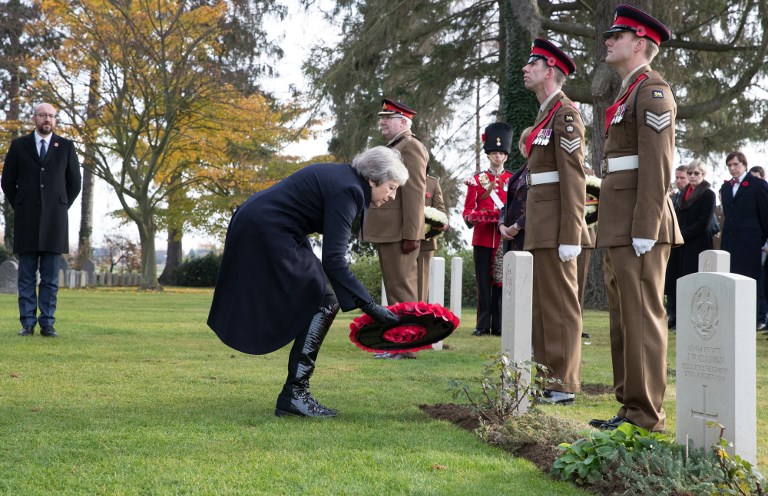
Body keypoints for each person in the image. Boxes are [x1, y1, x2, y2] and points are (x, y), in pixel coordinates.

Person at [207, 147, 408, 418]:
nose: (392, 195)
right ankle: (295, 395)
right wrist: (372, 308)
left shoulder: (345, 180)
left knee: (323, 295)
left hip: (264, 222)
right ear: (373, 180)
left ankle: (295, 393)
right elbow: (334, 261)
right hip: (267, 227)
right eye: (392, 187)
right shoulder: (349, 191)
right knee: (325, 297)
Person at [590, 5, 683, 432]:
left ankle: (646, 415)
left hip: (638, 223)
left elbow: (658, 164)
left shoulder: (653, 91)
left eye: (618, 36)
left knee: (642, 315)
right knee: (622, 315)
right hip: (618, 218)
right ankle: (629, 406)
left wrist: (646, 225)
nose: (608, 41)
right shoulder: (628, 93)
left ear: (640, 44)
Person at [520, 39, 590, 405]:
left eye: (532, 63)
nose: (524, 69)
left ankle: (563, 383)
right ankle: (548, 376)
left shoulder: (565, 114)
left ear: (550, 71)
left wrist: (571, 233)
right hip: (541, 220)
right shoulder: (545, 115)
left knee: (560, 305)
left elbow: (574, 177)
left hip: (557, 225)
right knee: (543, 306)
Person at [1, 102, 81, 338]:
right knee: (25, 276)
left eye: (52, 116)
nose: (47, 119)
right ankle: (27, 322)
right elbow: (7, 181)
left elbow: (74, 183)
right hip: (26, 221)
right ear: (34, 118)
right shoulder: (19, 146)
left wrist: (60, 205)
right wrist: (21, 204)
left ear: (55, 120)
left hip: (55, 223)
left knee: (49, 278)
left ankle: (47, 323)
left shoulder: (65, 146)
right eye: (43, 115)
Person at [363, 99, 429, 305]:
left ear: (404, 122)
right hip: (391, 231)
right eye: (382, 118)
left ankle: (412, 335)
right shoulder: (397, 146)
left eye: (388, 118)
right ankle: (403, 334)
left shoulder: (410, 147)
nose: (382, 122)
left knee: (402, 292)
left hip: (399, 233)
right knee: (395, 290)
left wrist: (412, 234)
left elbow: (415, 192)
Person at [463, 122, 514, 336]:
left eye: (501, 153)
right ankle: (482, 324)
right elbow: (468, 210)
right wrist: (475, 218)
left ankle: (499, 324)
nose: (497, 156)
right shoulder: (477, 181)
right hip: (483, 237)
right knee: (483, 281)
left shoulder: (512, 180)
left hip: (504, 238)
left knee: (501, 282)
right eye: (493, 152)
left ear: (506, 156)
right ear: (488, 155)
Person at [719, 151, 768, 329]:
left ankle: (753, 318)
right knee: (731, 280)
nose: (733, 168)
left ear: (745, 165)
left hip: (750, 242)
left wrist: (760, 240)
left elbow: (765, 215)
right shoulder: (725, 188)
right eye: (730, 165)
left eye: (736, 164)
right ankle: (733, 319)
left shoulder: (758, 185)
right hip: (730, 243)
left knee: (750, 281)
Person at [499, 126, 533, 254]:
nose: (525, 146)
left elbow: (539, 204)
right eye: (524, 142)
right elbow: (508, 203)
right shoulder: (520, 172)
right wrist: (501, 225)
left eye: (529, 141)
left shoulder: (540, 170)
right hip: (510, 237)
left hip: (529, 235)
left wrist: (518, 226)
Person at [664, 164, 690, 329]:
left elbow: (712, 226)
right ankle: (672, 316)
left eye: (682, 178)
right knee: (671, 284)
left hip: (686, 246)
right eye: (677, 177)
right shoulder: (674, 197)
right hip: (673, 247)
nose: (679, 181)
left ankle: (681, 318)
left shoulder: (692, 197)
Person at [418, 170, 448, 301]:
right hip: (401, 238)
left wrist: (440, 222)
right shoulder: (401, 178)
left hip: (425, 241)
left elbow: (440, 209)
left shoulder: (432, 182)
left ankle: (418, 315)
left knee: (422, 284)